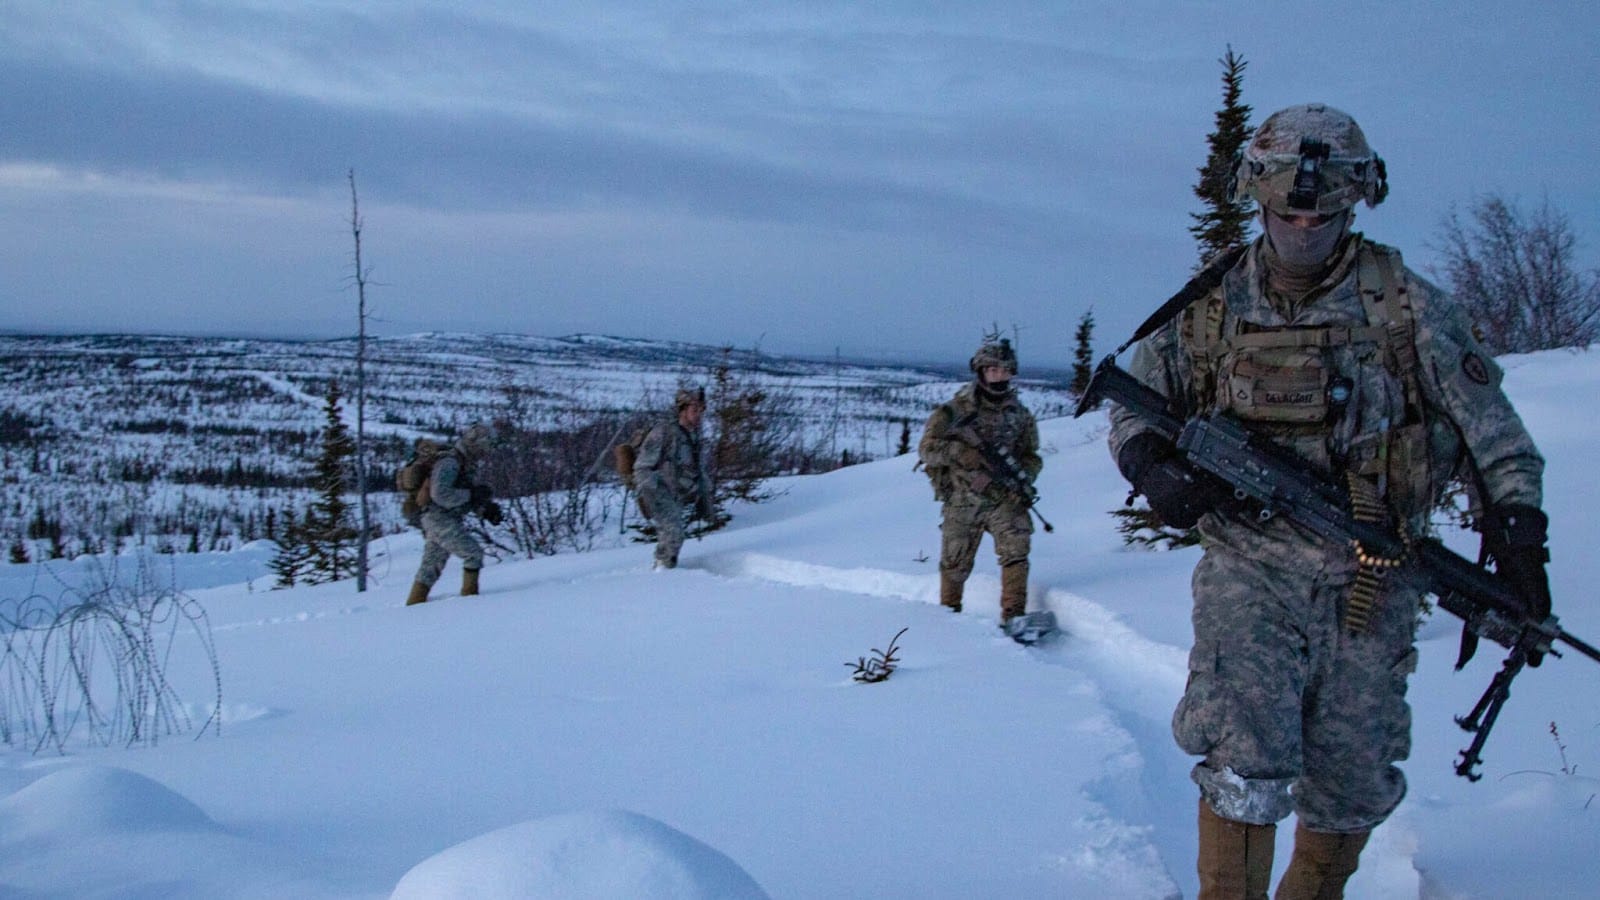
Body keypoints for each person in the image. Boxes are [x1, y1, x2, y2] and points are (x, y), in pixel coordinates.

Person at [1107, 104, 1548, 898]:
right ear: (1259, 200)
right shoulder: (1210, 307)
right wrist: (1155, 468)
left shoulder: (1405, 306)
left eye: (1323, 213)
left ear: (1356, 201)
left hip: (1373, 573)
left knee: (1352, 776)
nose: (1304, 227)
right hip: (1251, 566)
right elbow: (1135, 399)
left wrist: (1519, 538)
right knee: (1244, 750)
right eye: (1288, 211)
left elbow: (1497, 438)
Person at [918, 337, 1042, 631]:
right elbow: (926, 450)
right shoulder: (953, 412)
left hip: (1004, 498)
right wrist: (960, 453)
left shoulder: (1020, 415)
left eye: (1005, 371)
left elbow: (1031, 456)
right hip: (963, 500)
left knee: (1016, 551)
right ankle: (948, 619)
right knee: (954, 563)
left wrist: (1022, 478)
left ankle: (1014, 617)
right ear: (981, 371)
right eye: (993, 370)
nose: (999, 376)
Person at [406, 423, 502, 605]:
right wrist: (472, 495)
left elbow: (462, 494)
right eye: (486, 445)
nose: (487, 451)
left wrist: (485, 510)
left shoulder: (463, 462)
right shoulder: (450, 462)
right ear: (476, 443)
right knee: (473, 554)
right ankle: (469, 602)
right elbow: (440, 494)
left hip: (439, 518)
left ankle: (413, 606)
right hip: (438, 518)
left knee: (430, 568)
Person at [633, 386, 714, 569]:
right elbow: (641, 467)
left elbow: (694, 466)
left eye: (701, 410)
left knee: (672, 535)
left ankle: (665, 568)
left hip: (678, 493)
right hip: (660, 491)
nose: (699, 415)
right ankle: (663, 571)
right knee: (673, 533)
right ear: (683, 410)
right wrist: (653, 493)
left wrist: (703, 491)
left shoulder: (692, 435)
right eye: (695, 410)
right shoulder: (664, 432)